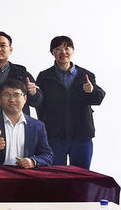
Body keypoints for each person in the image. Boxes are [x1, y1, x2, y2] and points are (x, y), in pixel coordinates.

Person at [35, 35, 105, 169]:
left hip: (82, 134)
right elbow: (39, 103)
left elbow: (98, 99)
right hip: (54, 136)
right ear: (52, 52)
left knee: (81, 175)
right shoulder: (44, 76)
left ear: (73, 50)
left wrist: (91, 90)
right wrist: (46, 124)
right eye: (58, 49)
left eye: (67, 48)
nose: (63, 52)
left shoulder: (86, 75)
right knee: (55, 175)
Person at [0, 79, 53, 168]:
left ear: (25, 98)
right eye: (6, 95)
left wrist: (33, 161)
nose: (12, 99)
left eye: (16, 95)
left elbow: (47, 155)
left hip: (24, 172)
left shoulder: (37, 126)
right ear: (0, 99)